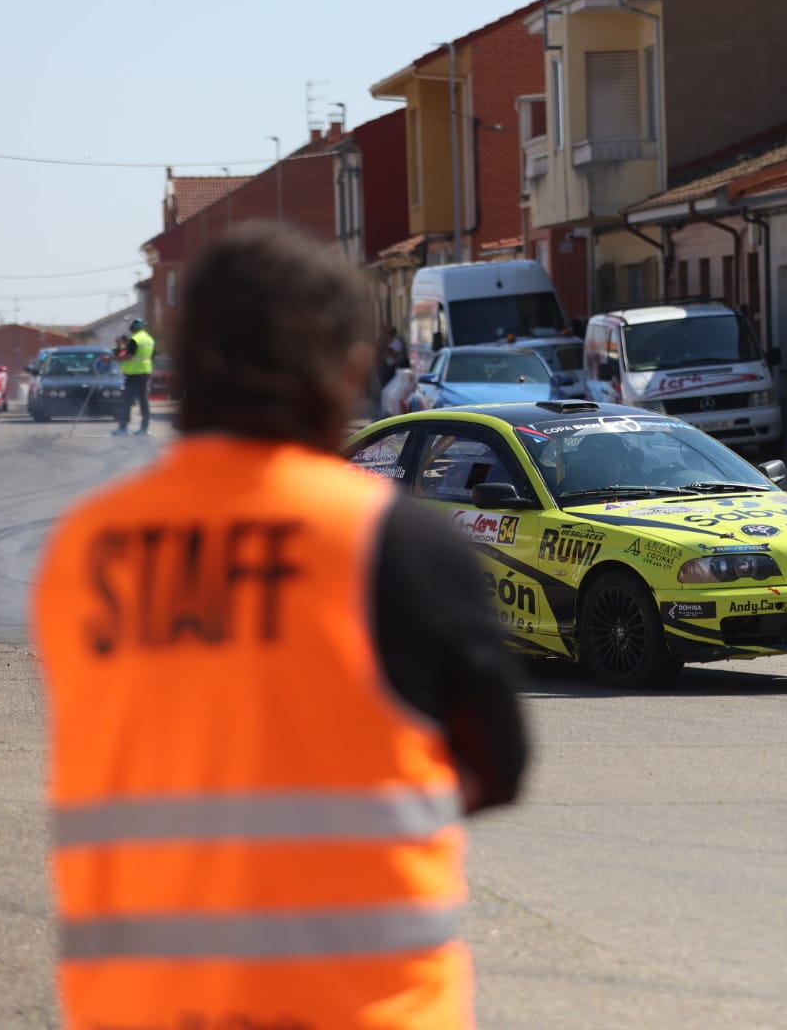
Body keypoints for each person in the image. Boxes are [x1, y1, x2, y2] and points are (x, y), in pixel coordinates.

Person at [30, 222, 531, 1029]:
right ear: (348, 371)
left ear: (179, 368)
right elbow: (497, 765)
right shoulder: (391, 544)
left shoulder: (84, 553)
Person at [112, 316, 154, 436]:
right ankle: (144, 428)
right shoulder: (149, 339)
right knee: (143, 401)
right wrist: (121, 346)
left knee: (127, 401)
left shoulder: (135, 340)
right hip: (145, 372)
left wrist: (111, 359)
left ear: (133, 328)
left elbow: (128, 356)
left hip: (134, 374)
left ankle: (123, 428)